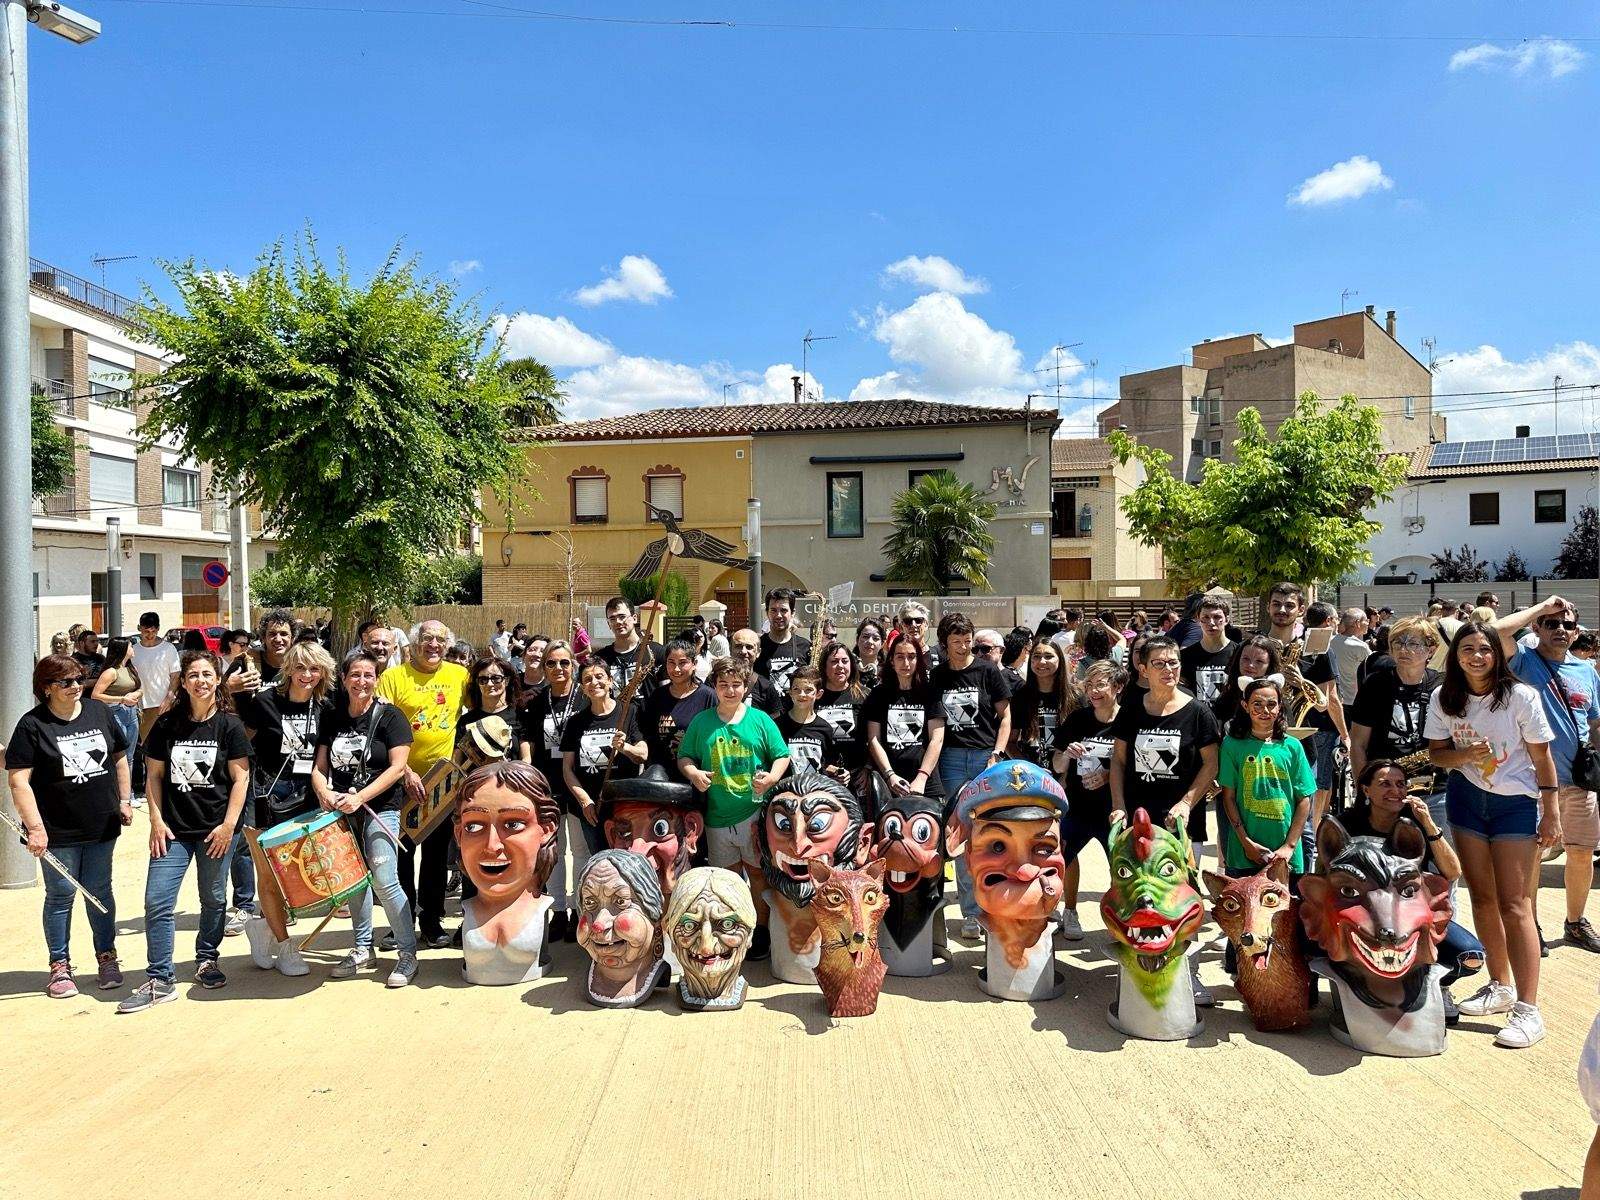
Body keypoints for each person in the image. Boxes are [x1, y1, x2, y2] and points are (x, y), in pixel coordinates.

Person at [1425, 621, 1559, 1048]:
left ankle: (1528, 1008)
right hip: (1467, 800)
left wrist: (1551, 812)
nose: (1476, 656)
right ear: (1455, 655)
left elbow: (1543, 759)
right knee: (1482, 898)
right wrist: (1463, 754)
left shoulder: (1521, 696)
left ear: (1497, 654)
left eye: (1484, 649)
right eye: (1467, 649)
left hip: (1515, 804)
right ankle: (1499, 984)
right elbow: (1436, 754)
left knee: (1516, 904)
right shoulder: (1445, 697)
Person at [116, 651, 252, 1013]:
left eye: (208, 674)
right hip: (172, 831)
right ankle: (160, 977)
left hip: (216, 832)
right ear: (184, 681)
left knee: (213, 899)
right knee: (157, 901)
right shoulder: (166, 724)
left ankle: (207, 959)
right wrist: (156, 821)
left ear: (218, 680)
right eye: (194, 675)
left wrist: (228, 826)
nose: (201, 681)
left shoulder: (230, 726)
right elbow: (155, 777)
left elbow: (241, 778)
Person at [7, 654, 133, 997]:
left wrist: (124, 800)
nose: (76, 686)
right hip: (57, 830)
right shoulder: (32, 725)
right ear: (47, 688)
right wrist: (35, 828)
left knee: (99, 891)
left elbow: (120, 757)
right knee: (61, 896)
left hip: (101, 824)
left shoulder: (99, 712)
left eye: (79, 679)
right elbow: (19, 780)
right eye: (66, 682)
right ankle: (59, 965)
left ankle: (107, 957)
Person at [1109, 634, 1221, 1005]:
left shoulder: (1198, 711)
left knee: (1183, 897)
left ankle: (1189, 972)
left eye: (1173, 662)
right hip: (1139, 821)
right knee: (1139, 897)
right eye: (1159, 663)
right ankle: (1137, 969)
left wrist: (1189, 802)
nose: (1169, 669)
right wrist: (1119, 805)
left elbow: (1211, 764)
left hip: (1182, 825)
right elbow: (1120, 762)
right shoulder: (1131, 709)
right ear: (1142, 668)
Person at [1495, 596, 1600, 954]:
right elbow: (1495, 631)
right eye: (1552, 624)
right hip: (1535, 781)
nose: (1560, 630)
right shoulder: (1525, 662)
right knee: (1534, 856)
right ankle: (1531, 927)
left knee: (1582, 852)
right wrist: (1542, 607)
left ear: (1576, 632)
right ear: (1537, 628)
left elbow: (1594, 722)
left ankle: (1575, 923)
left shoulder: (1586, 671)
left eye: (1567, 625)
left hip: (1579, 780)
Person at [1344, 759, 1486, 1022]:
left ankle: (1436, 983)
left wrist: (1429, 824)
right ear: (1365, 790)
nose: (1395, 791)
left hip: (1410, 914)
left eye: (1400, 785)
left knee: (1471, 955)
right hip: (1365, 915)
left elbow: (1453, 872)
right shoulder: (1348, 823)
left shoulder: (1415, 824)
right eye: (1384, 784)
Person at [311, 650, 419, 986]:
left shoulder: (391, 717)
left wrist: (360, 797)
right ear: (343, 680)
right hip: (343, 810)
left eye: (368, 675)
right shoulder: (332, 716)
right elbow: (319, 766)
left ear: (377, 679)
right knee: (353, 880)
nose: (361, 682)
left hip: (380, 807)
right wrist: (325, 794)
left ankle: (407, 953)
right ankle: (362, 947)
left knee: (385, 879)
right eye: (355, 675)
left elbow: (398, 767)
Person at [678, 655, 791, 959]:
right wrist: (694, 773)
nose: (730, 690)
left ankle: (762, 932)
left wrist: (772, 778)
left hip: (753, 813)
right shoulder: (702, 722)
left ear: (745, 687)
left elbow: (782, 755)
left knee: (757, 875)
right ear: (714, 686)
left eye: (736, 684)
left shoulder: (760, 720)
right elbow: (684, 757)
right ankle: (735, 933)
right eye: (723, 684)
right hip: (716, 817)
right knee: (727, 882)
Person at [378, 618, 471, 948]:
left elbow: (484, 708)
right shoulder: (393, 677)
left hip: (442, 783)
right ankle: (400, 924)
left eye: (440, 640)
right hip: (399, 780)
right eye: (427, 639)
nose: (434, 645)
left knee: (434, 857)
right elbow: (382, 729)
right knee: (400, 856)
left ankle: (432, 922)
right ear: (413, 644)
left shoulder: (459, 676)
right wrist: (403, 772)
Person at [931, 611, 1012, 940]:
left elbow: (1005, 717)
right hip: (950, 760)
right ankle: (971, 912)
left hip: (984, 759)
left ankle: (995, 905)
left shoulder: (988, 670)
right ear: (945, 644)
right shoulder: (938, 676)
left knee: (989, 835)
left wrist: (997, 754)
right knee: (959, 838)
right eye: (956, 642)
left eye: (967, 640)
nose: (963, 647)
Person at [1053, 661, 1125, 941]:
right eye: (1089, 685)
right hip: (1078, 806)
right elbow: (1058, 764)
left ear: (1117, 687)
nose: (1093, 691)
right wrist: (1068, 754)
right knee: (1064, 857)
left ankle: (1121, 918)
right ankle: (1070, 912)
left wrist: (1108, 776)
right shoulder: (1078, 719)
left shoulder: (1129, 721)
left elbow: (1135, 766)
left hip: (1113, 810)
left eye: (1100, 685)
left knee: (1120, 867)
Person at [1348, 616, 1445, 821]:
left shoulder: (1441, 685)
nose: (1403, 649)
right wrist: (1363, 790)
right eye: (1398, 643)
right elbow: (1358, 744)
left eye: (1413, 643)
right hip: (1384, 791)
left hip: (1435, 791)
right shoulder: (1375, 684)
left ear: (1432, 649)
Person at [518, 639, 584, 940]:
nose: (558, 668)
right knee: (553, 851)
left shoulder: (584, 698)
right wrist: (528, 771)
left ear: (574, 665)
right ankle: (558, 911)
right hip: (548, 783)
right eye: (551, 663)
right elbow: (528, 739)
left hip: (581, 781)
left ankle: (582, 909)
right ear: (543, 667)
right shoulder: (536, 700)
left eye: (564, 663)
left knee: (581, 850)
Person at [1217, 677, 1313, 879]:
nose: (1265, 710)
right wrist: (1246, 843)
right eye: (1257, 704)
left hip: (1286, 857)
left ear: (1280, 707)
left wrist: (1289, 847)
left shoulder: (1293, 746)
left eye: (1271, 704)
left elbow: (1304, 799)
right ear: (1245, 706)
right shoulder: (1232, 745)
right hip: (1244, 855)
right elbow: (1228, 798)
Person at [561, 660, 648, 829]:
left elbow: (642, 755)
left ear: (609, 680)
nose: (594, 682)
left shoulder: (629, 711)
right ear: (583, 687)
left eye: (599, 676)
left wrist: (625, 747)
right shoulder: (575, 722)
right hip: (592, 810)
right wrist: (585, 801)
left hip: (624, 806)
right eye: (587, 679)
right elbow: (567, 769)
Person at [863, 636, 946, 804]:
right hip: (889, 782)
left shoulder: (930, 693)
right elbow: (873, 740)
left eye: (911, 656)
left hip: (926, 782)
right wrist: (890, 775)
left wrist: (922, 777)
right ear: (892, 660)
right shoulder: (878, 695)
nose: (906, 663)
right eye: (900, 656)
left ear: (919, 660)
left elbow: (937, 739)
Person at [638, 637, 715, 777]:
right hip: (662, 775)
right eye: (671, 663)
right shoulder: (657, 696)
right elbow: (648, 733)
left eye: (683, 663)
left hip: (698, 774)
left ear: (694, 664)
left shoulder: (708, 697)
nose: (676, 669)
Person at [127, 613, 181, 805]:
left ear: (158, 629)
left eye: (153, 631)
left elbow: (175, 676)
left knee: (163, 748)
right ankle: (140, 788)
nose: (149, 635)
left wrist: (170, 697)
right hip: (141, 706)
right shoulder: (133, 650)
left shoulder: (168, 648)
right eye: (145, 631)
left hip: (162, 705)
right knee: (139, 749)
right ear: (139, 628)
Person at [1008, 638, 1074, 766]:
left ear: (1060, 659)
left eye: (1049, 656)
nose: (1042, 661)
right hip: (1032, 776)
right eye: (1037, 656)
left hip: (1067, 776)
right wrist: (1030, 769)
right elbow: (1010, 743)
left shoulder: (1075, 696)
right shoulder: (1020, 697)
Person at [459, 656, 529, 762]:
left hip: (509, 777)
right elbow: (457, 761)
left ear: (506, 680)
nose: (490, 684)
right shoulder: (465, 721)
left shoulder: (520, 717)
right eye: (483, 679)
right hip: (476, 778)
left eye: (496, 678)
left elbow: (526, 758)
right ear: (477, 683)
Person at [815, 640, 868, 781]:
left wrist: (867, 768)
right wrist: (825, 767)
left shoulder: (864, 696)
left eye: (845, 661)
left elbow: (874, 738)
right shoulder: (815, 696)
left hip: (857, 775)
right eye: (834, 662)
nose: (840, 666)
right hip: (823, 774)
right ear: (824, 666)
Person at [90, 638, 142, 777]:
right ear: (123, 649)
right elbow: (96, 695)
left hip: (132, 713)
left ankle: (128, 792)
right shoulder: (111, 672)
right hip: (115, 712)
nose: (133, 649)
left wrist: (135, 694)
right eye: (131, 646)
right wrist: (122, 699)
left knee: (130, 755)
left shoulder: (131, 668)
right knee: (119, 756)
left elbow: (140, 688)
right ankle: (118, 791)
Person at [777, 666, 841, 776]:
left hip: (816, 788)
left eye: (808, 690)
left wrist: (839, 773)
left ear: (819, 694)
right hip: (785, 789)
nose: (802, 694)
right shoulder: (777, 725)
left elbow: (827, 764)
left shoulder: (825, 729)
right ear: (790, 692)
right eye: (796, 689)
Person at [1179, 595, 1236, 707]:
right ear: (1198, 619)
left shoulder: (1238, 653)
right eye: (1205, 617)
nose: (1211, 622)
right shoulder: (1186, 656)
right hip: (1199, 720)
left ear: (1227, 620)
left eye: (1216, 617)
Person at [225, 608, 297, 695]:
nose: (278, 639)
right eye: (272, 634)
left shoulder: (299, 666)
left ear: (292, 638)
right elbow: (213, 695)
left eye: (284, 634)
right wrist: (228, 687)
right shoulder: (245, 663)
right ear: (263, 638)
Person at [595, 596, 655, 700]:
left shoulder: (656, 651)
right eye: (612, 619)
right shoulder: (599, 658)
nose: (618, 622)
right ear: (608, 624)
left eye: (622, 616)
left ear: (634, 618)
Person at [754, 587, 812, 694]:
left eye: (784, 610)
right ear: (767, 613)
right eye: (773, 610)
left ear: (792, 613)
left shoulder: (805, 646)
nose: (778, 615)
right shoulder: (757, 646)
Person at [730, 628, 783, 717]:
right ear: (730, 650)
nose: (743, 651)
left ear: (758, 652)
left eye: (749, 647)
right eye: (738, 646)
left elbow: (775, 718)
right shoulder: (715, 681)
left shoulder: (766, 686)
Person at [1331, 608, 1372, 698]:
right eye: (1366, 620)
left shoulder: (1330, 641)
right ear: (1357, 623)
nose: (1368, 623)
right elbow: (1371, 670)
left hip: (1335, 697)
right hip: (1353, 699)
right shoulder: (1360, 647)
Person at [896, 601, 940, 669]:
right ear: (901, 627)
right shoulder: (895, 657)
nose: (913, 625)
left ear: (926, 625)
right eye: (908, 621)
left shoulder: (938, 655)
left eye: (918, 620)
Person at [853, 618, 885, 691]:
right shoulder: (847, 668)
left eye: (875, 638)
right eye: (865, 637)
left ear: (882, 644)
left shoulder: (888, 671)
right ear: (857, 640)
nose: (870, 641)